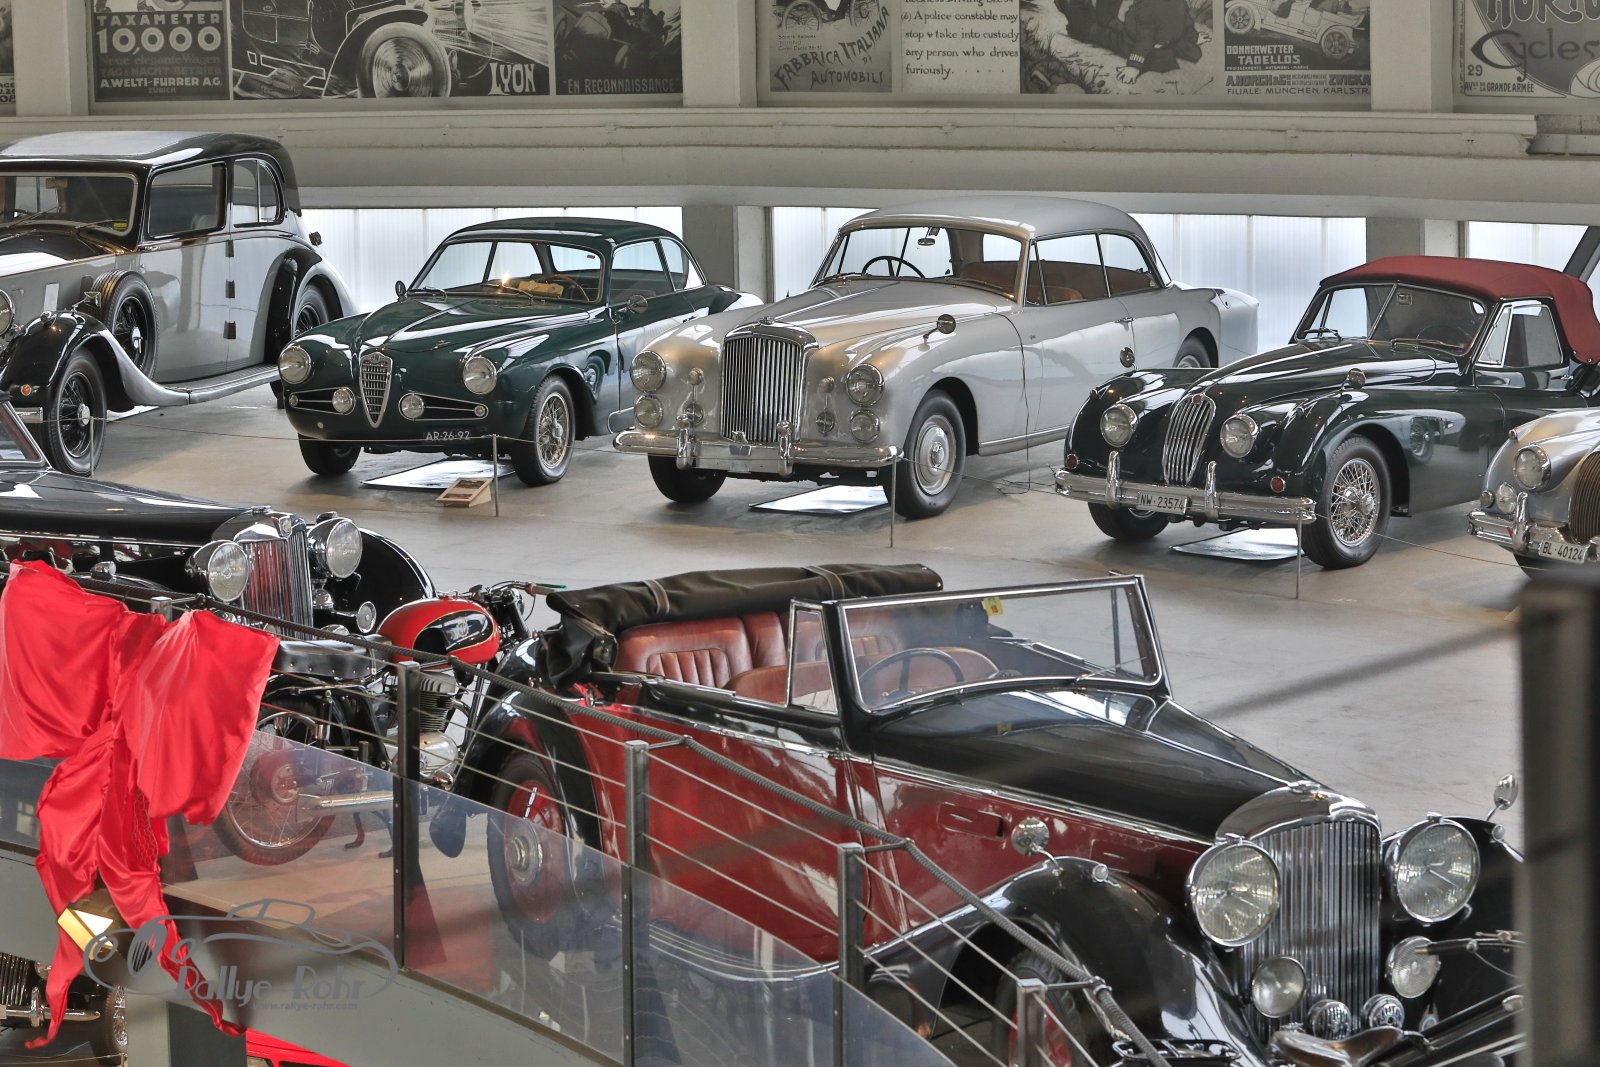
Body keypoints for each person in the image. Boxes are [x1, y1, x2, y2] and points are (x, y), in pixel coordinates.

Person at [1060, 0, 1208, 84]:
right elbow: (1187, 23)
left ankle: (1080, 19)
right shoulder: (1178, 3)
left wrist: (1134, 66)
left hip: (1131, 40)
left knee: (1099, 33)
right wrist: (1193, 38)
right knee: (1106, 25)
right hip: (1135, 31)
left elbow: (1144, 40)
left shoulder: (1148, 9)